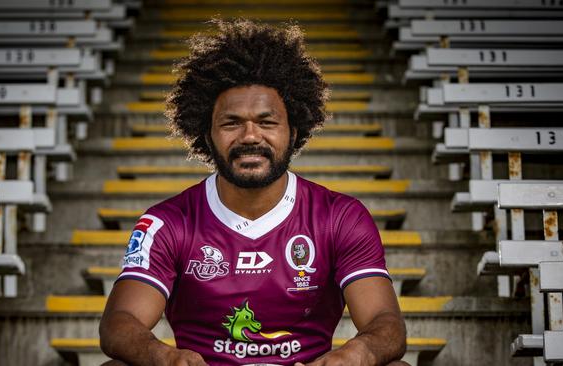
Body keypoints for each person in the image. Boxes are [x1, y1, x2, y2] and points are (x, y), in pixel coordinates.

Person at [99, 19, 408, 366]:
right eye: (231, 123)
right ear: (207, 134)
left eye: (267, 122)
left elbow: (387, 323)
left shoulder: (339, 216)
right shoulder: (166, 222)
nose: (249, 136)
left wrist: (357, 354)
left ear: (293, 132)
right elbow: (119, 323)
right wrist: (165, 358)